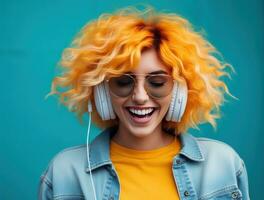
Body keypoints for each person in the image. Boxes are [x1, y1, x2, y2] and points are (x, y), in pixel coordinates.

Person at [38, 7, 250, 200]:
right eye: (123, 82)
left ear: (180, 93)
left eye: (157, 82)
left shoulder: (222, 164)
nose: (140, 96)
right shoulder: (64, 171)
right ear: (102, 92)